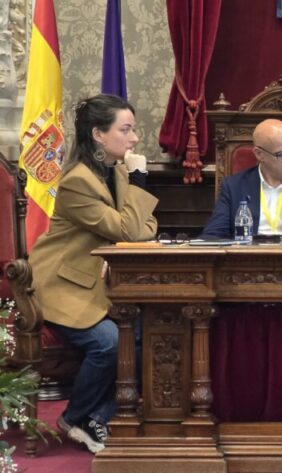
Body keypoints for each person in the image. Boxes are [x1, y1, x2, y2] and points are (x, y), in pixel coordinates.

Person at [28, 94, 158, 453]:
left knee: (156, 329)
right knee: (109, 342)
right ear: (99, 134)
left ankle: (98, 417)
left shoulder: (113, 170)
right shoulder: (77, 181)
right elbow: (133, 229)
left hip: (95, 283)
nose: (134, 139)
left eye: (133, 129)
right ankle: (76, 416)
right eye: (125, 129)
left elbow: (142, 227)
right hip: (62, 284)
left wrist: (126, 229)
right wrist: (140, 180)